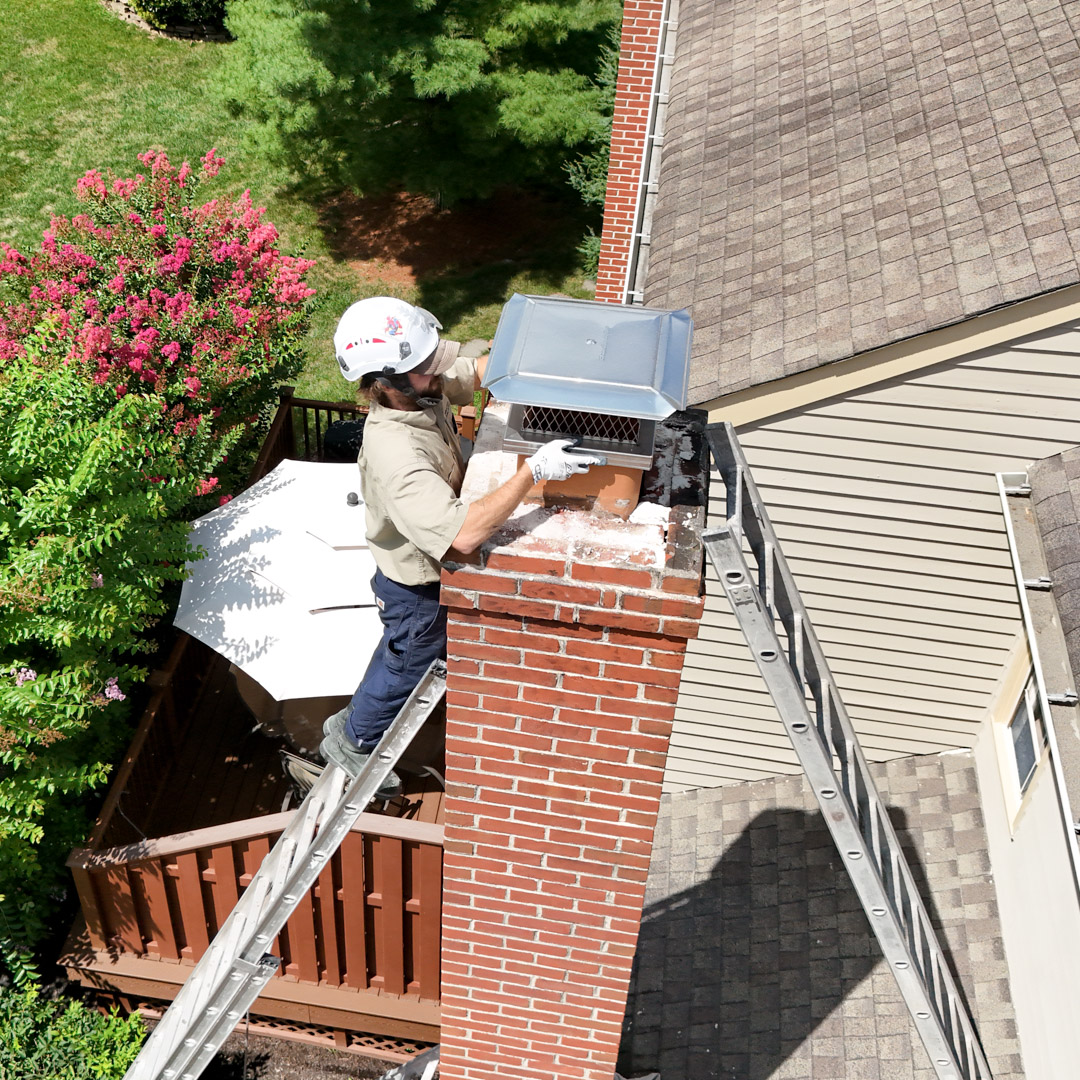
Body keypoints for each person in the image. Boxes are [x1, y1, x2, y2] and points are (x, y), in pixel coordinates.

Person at [320, 296, 601, 793]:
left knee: (399, 655)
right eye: (427, 367)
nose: (438, 371)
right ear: (387, 380)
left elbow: (477, 369)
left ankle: (356, 718)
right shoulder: (396, 454)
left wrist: (558, 350)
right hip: (417, 586)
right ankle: (353, 743)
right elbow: (464, 535)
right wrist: (533, 471)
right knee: (410, 663)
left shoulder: (417, 389)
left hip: (420, 578)